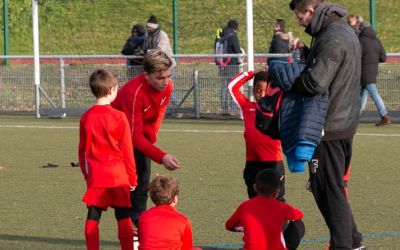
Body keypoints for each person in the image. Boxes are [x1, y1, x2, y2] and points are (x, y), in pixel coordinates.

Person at [288, 1, 365, 249]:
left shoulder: (333, 37)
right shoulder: (341, 31)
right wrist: (308, 54)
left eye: (300, 15)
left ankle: (344, 245)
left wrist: (288, 79)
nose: (299, 20)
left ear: (310, 11)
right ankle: (353, 241)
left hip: (329, 127)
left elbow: (316, 82)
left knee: (328, 191)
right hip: (342, 121)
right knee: (330, 188)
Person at [111, 49, 180, 227]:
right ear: (146, 75)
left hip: (136, 136)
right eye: (160, 78)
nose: (165, 82)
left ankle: (138, 222)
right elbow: (133, 137)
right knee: (130, 184)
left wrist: (152, 135)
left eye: (168, 76)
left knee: (142, 181)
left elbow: (160, 111)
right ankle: (134, 224)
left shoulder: (167, 86)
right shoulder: (134, 93)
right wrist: (162, 156)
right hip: (116, 139)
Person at [78, 69, 137, 250]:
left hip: (97, 176)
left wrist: (87, 175)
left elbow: (82, 152)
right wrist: (132, 178)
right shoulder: (119, 117)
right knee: (123, 216)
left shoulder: (86, 117)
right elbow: (127, 151)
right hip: (118, 177)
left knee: (93, 216)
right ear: (112, 90)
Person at [227, 71, 285, 200]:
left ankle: (281, 221)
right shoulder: (247, 107)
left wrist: (275, 76)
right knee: (254, 200)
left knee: (277, 201)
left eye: (266, 91)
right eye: (258, 90)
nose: (262, 94)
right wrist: (252, 73)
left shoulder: (277, 108)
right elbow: (232, 86)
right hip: (253, 163)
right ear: (253, 90)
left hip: (274, 162)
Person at [225, 169, 305, 250]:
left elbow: (229, 225)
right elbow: (299, 215)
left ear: (255, 187)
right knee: (299, 224)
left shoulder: (245, 206)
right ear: (277, 191)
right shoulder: (282, 207)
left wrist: (248, 227)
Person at [138, 176, 201, 250]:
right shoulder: (183, 220)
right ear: (175, 199)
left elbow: (142, 240)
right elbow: (187, 248)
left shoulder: (144, 216)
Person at [144, 15, 181, 116]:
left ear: (154, 27)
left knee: (167, 88)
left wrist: (147, 51)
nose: (147, 29)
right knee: (157, 89)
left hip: (167, 66)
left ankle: (178, 107)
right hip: (157, 67)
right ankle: (161, 109)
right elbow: (145, 46)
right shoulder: (148, 36)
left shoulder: (162, 35)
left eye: (149, 27)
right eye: (146, 27)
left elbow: (161, 50)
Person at [358, 21, 391, 126]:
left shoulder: (361, 40)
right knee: (362, 95)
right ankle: (355, 117)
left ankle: (384, 115)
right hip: (373, 71)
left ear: (362, 29)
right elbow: (383, 57)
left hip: (363, 71)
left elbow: (358, 56)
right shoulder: (377, 41)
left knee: (373, 93)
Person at [220, 19, 242, 115]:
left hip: (222, 64)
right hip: (232, 64)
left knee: (224, 87)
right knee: (234, 86)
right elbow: (237, 50)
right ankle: (233, 108)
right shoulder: (232, 36)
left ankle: (224, 108)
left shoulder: (222, 35)